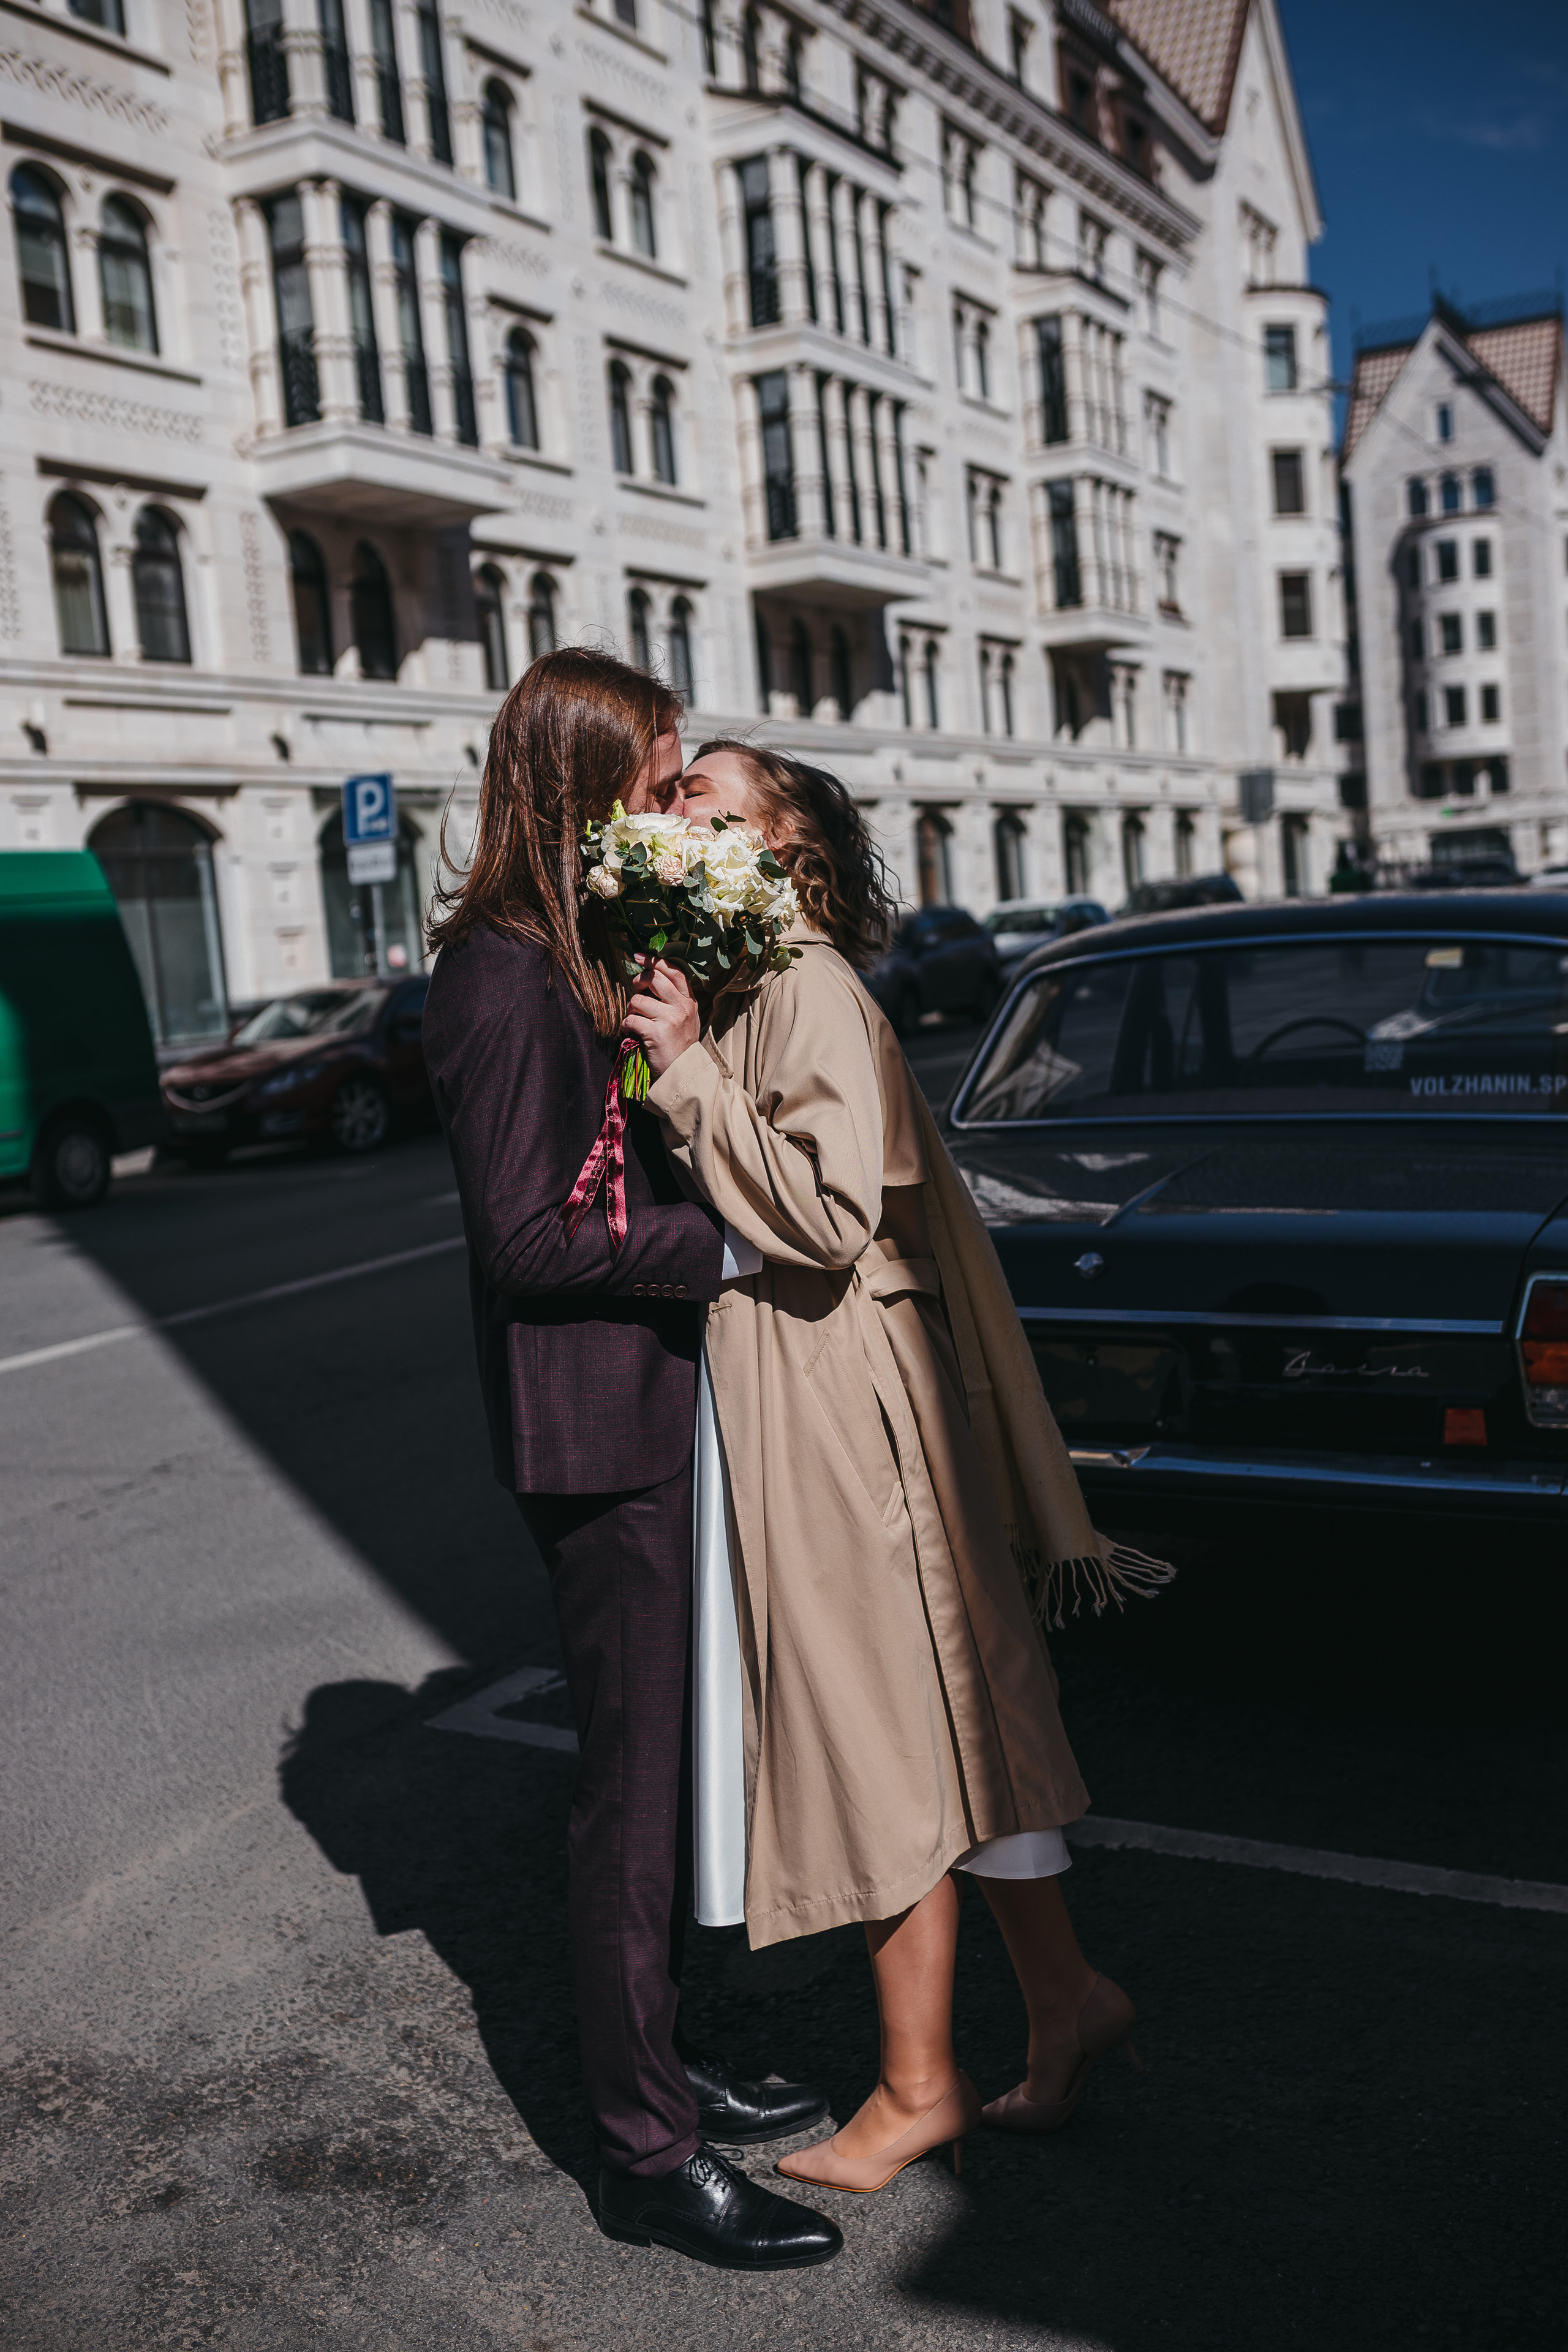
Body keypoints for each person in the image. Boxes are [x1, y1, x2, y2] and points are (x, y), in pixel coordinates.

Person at [625, 741, 1167, 2193]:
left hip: (834, 1386)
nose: (669, 810)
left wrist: (679, 1073)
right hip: (828, 1380)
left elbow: (816, 1212)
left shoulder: (795, 983)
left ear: (785, 841)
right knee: (957, 1719)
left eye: (703, 797)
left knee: (878, 1727)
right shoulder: (747, 982)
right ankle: (1061, 2003)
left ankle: (918, 2081)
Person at [421, 655, 842, 2271]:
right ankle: (646, 2153)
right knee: (629, 1801)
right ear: (589, 782)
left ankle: (669, 2065)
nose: (676, 808)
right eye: (662, 784)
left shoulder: (578, 948)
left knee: (674, 1785)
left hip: (658, 1409)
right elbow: (533, 1235)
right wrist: (727, 1244)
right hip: (601, 1436)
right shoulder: (499, 979)